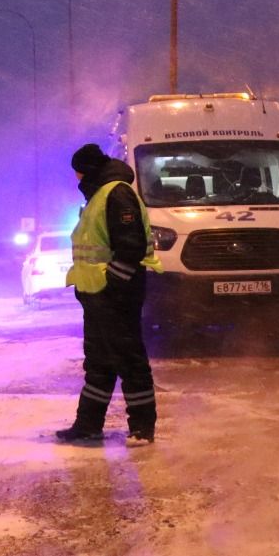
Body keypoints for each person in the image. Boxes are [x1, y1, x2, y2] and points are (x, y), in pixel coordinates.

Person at [56, 142, 162, 446]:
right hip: (98, 296)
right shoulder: (100, 194)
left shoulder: (116, 193)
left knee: (129, 360)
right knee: (99, 363)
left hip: (116, 295)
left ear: (86, 171)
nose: (77, 180)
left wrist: (113, 287)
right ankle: (88, 424)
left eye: (78, 174)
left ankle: (142, 428)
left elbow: (130, 246)